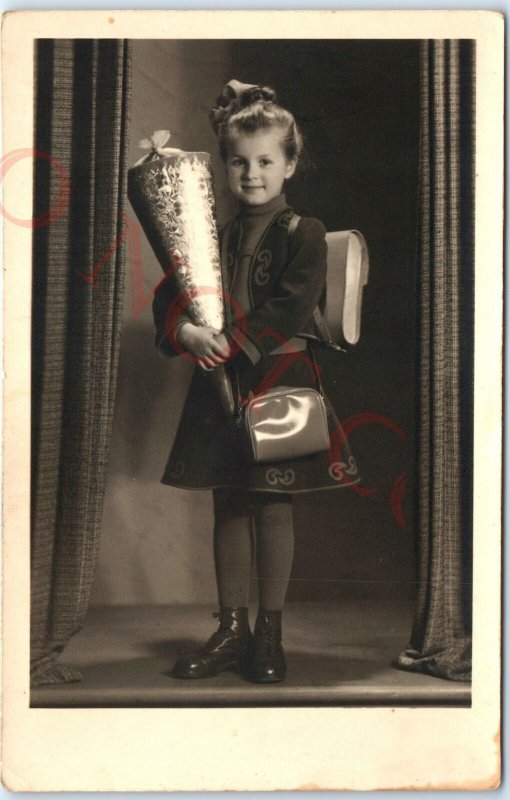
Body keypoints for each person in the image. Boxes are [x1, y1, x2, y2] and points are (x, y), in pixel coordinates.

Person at [152, 79, 360, 684]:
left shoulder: (306, 233)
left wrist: (235, 343)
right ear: (225, 166)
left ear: (290, 164)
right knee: (228, 505)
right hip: (217, 378)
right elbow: (174, 293)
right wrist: (189, 335)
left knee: (271, 502)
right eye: (239, 162)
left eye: (266, 161)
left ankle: (269, 633)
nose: (251, 174)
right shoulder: (207, 235)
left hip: (276, 379)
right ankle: (231, 629)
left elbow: (292, 306)